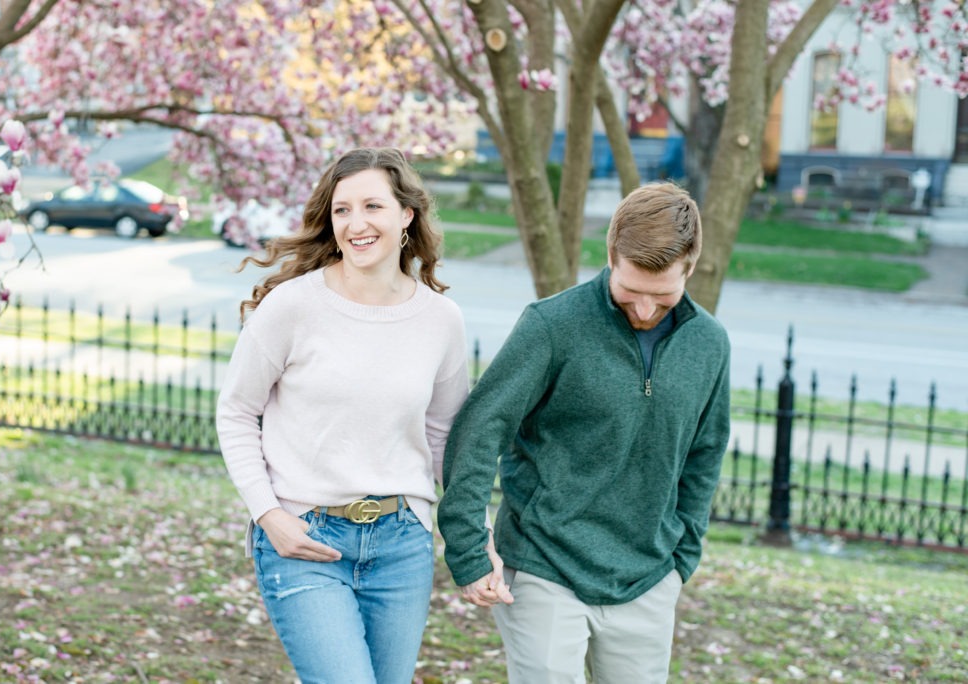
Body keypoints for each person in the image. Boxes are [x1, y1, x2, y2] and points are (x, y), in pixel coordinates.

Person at [437, 181, 731, 683]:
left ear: (691, 266)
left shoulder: (710, 344)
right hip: (543, 567)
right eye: (630, 291)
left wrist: (682, 558)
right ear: (611, 256)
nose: (643, 309)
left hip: (649, 576)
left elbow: (704, 457)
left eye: (661, 295)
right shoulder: (552, 326)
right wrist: (467, 546)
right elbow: (479, 430)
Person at [216, 147, 469, 683]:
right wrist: (269, 515)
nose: (356, 224)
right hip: (304, 537)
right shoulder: (292, 305)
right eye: (342, 210)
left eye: (372, 206)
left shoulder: (441, 321)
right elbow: (236, 412)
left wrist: (474, 532)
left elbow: (445, 436)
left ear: (406, 215)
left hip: (403, 542)